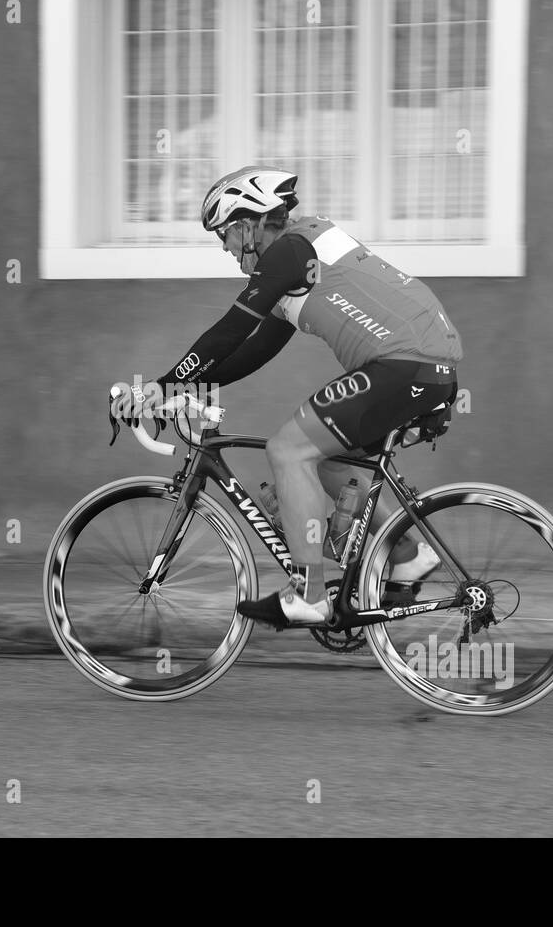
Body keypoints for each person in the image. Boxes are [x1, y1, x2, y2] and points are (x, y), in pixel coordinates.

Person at [120, 165, 462, 629]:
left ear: (248, 224)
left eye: (224, 234)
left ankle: (310, 594)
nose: (224, 247)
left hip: (403, 365)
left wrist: (160, 385)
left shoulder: (288, 251)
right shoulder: (299, 256)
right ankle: (407, 554)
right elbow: (254, 350)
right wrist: (184, 387)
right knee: (326, 459)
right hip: (422, 367)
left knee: (288, 449)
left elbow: (231, 329)